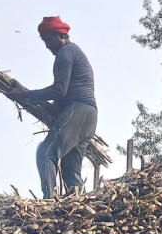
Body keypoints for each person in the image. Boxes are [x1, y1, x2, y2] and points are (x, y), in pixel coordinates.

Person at [8, 16, 97, 198]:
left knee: (46, 152)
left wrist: (27, 94)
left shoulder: (66, 52)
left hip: (78, 109)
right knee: (70, 168)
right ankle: (80, 206)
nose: (47, 46)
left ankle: (50, 202)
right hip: (89, 115)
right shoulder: (74, 51)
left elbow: (59, 90)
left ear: (61, 36)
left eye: (48, 40)